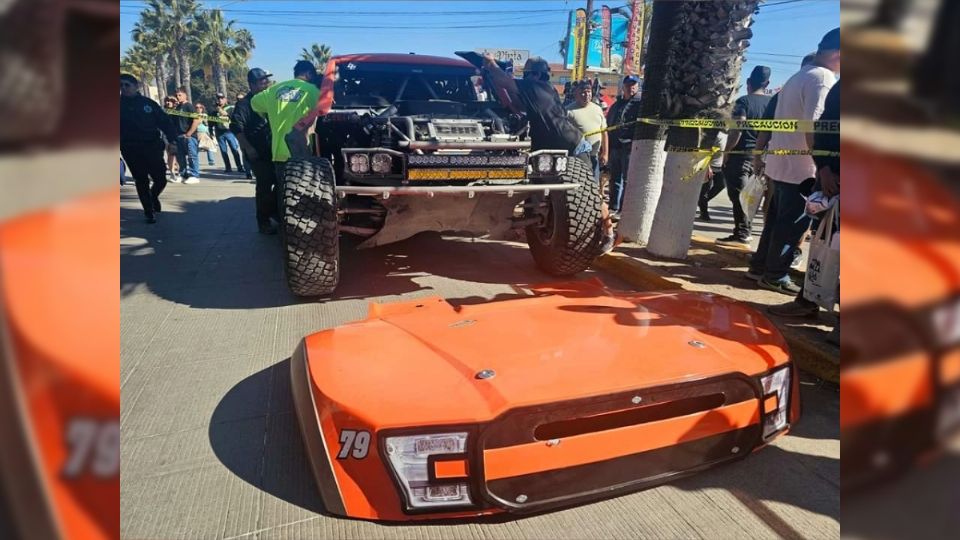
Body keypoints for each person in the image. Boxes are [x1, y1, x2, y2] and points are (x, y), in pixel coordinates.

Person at [481, 54, 616, 253]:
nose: (525, 79)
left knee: (591, 195)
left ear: (534, 75)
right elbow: (517, 105)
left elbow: (506, 81)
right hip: (564, 146)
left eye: (526, 75)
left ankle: (609, 234)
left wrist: (491, 64)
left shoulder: (535, 87)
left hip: (573, 147)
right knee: (550, 191)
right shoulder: (545, 90)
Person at [747, 28, 839, 295]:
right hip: (802, 169)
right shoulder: (822, 79)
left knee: (775, 222)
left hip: (780, 164)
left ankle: (760, 267)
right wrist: (821, 167)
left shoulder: (798, 76)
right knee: (791, 226)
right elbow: (814, 126)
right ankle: (775, 275)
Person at [768, 80, 840, 333]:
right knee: (825, 247)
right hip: (838, 184)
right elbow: (824, 126)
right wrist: (825, 167)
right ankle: (809, 300)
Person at [717, 65, 772, 246]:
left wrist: (727, 152)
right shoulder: (772, 103)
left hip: (740, 157)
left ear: (748, 82)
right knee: (752, 195)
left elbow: (737, 129)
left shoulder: (743, 102)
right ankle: (744, 230)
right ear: (767, 83)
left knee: (739, 195)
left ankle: (742, 232)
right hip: (761, 157)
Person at [120, 74, 177, 223]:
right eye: (121, 86)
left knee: (160, 179)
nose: (124, 88)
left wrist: (172, 140)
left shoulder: (148, 104)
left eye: (127, 85)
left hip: (151, 146)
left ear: (135, 86)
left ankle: (153, 196)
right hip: (130, 147)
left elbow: (165, 122)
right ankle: (148, 210)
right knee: (141, 179)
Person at [251, 60, 321, 182]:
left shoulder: (273, 90)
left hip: (279, 153)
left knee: (283, 193)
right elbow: (326, 109)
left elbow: (254, 102)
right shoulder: (312, 90)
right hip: (302, 151)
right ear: (309, 74)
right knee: (303, 193)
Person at [233, 68, 280, 234]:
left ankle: (275, 213)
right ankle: (264, 221)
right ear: (252, 84)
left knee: (281, 183)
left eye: (266, 80)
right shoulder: (245, 104)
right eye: (262, 81)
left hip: (273, 151)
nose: (266, 83)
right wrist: (248, 148)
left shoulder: (269, 99)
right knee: (265, 187)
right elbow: (236, 128)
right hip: (257, 153)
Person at [604, 75, 642, 217]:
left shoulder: (640, 104)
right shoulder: (616, 104)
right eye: (628, 84)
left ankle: (624, 210)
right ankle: (614, 206)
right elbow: (609, 124)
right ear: (623, 87)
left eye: (633, 84)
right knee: (615, 178)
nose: (630, 87)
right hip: (615, 146)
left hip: (630, 147)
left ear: (637, 86)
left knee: (627, 179)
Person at [566, 81, 608, 183]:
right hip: (577, 157)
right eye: (583, 92)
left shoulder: (598, 109)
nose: (586, 95)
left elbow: (604, 132)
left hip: (594, 156)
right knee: (579, 185)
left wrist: (605, 153)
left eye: (588, 91)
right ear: (576, 94)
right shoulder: (568, 111)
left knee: (594, 184)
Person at [209, 92, 246, 175]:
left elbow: (234, 117)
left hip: (229, 131)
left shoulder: (230, 107)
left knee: (234, 149)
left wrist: (226, 113)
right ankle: (228, 167)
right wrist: (211, 131)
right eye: (218, 98)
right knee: (223, 151)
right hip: (219, 132)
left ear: (225, 99)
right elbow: (210, 121)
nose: (220, 100)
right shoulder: (214, 109)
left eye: (222, 98)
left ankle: (239, 167)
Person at [173, 87, 201, 184]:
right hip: (179, 136)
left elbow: (196, 120)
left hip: (189, 136)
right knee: (180, 157)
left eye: (180, 95)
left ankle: (195, 175)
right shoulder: (177, 107)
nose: (178, 97)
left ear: (185, 95)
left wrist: (189, 133)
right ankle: (183, 174)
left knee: (192, 156)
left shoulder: (189, 106)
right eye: (176, 95)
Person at [699, 130, 728, 222]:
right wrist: (707, 166)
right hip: (709, 166)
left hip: (720, 166)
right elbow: (706, 151)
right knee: (705, 190)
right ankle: (704, 213)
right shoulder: (715, 134)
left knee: (721, 185)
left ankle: (702, 202)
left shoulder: (728, 135)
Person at [162, 96, 180, 182]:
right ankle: (172, 173)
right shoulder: (162, 112)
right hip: (166, 136)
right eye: (167, 101)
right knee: (171, 153)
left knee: (178, 154)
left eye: (170, 101)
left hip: (177, 135)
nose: (168, 102)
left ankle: (179, 171)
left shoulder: (177, 111)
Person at [193, 102, 218, 167]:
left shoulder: (205, 115)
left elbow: (208, 124)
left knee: (208, 147)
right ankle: (196, 161)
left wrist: (205, 120)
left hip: (204, 133)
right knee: (196, 148)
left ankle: (211, 161)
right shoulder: (193, 115)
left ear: (202, 108)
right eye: (197, 107)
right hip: (196, 133)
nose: (198, 109)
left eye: (200, 107)